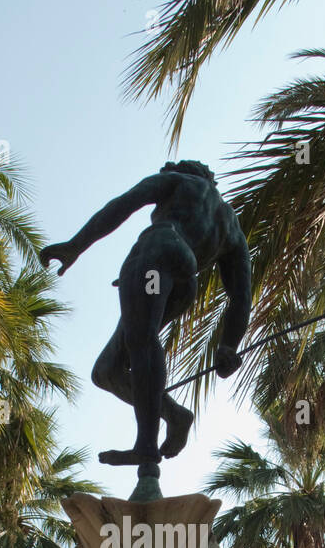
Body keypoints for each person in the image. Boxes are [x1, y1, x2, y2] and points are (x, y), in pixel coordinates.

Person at [40, 161, 251, 469]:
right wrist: (228, 345)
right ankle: (174, 415)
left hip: (158, 250)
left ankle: (146, 448)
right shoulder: (231, 225)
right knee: (107, 371)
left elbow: (123, 205)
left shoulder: (179, 181)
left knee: (143, 340)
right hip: (182, 278)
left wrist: (76, 245)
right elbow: (241, 295)